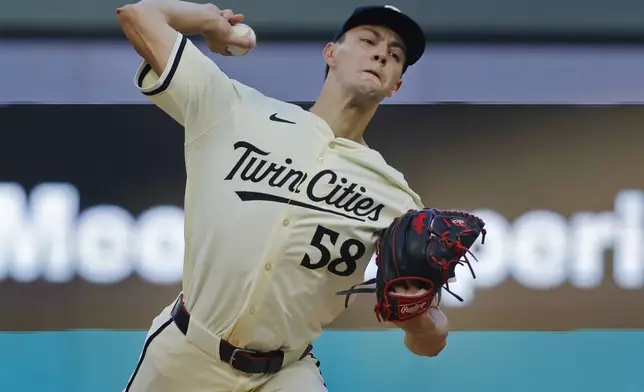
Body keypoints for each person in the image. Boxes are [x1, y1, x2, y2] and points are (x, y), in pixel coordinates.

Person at [116, 1, 449, 391]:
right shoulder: (235, 110)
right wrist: (210, 21)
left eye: (395, 55)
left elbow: (431, 340)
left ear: (396, 85)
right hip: (184, 355)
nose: (380, 53)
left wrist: (420, 320)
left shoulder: (397, 198)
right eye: (368, 40)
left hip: (284, 375)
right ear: (331, 53)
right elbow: (138, 16)